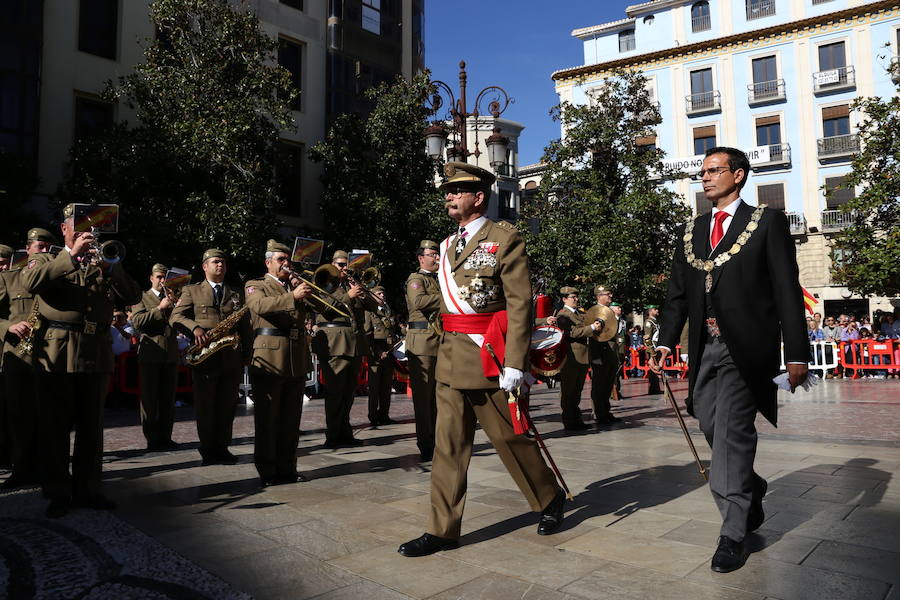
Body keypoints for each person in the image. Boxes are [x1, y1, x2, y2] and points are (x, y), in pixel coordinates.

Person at [650, 147, 809, 573]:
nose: (704, 178)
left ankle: (733, 531)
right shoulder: (692, 229)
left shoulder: (766, 222)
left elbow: (786, 291)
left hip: (747, 348)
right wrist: (666, 342)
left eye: (713, 171)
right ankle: (751, 485)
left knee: (732, 433)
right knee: (706, 419)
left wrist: (796, 352)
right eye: (701, 172)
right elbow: (677, 297)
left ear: (738, 175)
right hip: (703, 348)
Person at [399, 162, 564, 558]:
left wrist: (515, 361)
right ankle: (442, 529)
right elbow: (444, 304)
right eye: (448, 191)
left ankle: (548, 497)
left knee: (510, 438)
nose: (449, 196)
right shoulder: (446, 245)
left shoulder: (504, 238)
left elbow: (520, 302)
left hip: (488, 355)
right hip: (451, 357)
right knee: (448, 447)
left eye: (458, 190)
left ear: (479, 196)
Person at [21, 204, 142, 518]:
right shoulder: (47, 258)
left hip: (95, 348)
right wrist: (71, 255)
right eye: (79, 224)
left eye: (92, 225)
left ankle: (88, 488)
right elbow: (30, 283)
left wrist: (112, 267)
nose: (87, 231)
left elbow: (131, 296)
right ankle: (58, 492)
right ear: (64, 230)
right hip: (58, 350)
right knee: (56, 425)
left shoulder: (101, 262)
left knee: (92, 426)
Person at [171, 249, 251, 465]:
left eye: (223, 262)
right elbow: (176, 316)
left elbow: (245, 325)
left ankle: (222, 447)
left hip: (230, 356)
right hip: (205, 357)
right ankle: (208, 448)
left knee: (227, 405)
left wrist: (247, 353)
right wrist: (195, 328)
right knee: (206, 405)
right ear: (204, 266)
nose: (220, 265)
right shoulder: (191, 290)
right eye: (216, 262)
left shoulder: (236, 292)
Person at [244, 240, 313, 486]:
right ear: (268, 262)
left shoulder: (293, 286)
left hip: (295, 357)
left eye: (288, 260)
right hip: (269, 356)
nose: (286, 264)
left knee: (291, 419)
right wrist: (291, 295)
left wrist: (303, 293)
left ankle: (287, 468)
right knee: (268, 419)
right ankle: (267, 470)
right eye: (281, 260)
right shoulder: (255, 285)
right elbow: (258, 306)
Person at [0, 228, 56, 489]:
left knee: (49, 416)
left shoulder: (56, 278)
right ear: (28, 248)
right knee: (19, 416)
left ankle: (48, 471)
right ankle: (21, 470)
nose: (42, 251)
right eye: (38, 246)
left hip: (50, 355)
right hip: (17, 356)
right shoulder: (9, 278)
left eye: (46, 247)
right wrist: (7, 328)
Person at [312, 250, 378, 449]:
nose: (344, 268)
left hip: (354, 343)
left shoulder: (352, 285)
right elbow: (324, 309)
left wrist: (361, 289)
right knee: (335, 393)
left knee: (349, 393)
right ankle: (333, 434)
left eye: (346, 265)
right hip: (335, 344)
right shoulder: (323, 282)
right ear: (332, 264)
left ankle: (345, 432)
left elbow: (373, 306)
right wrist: (349, 296)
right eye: (340, 265)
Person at [131, 263, 181, 452]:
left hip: (170, 354)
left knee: (168, 399)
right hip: (151, 354)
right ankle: (152, 439)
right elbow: (137, 321)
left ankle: (166, 437)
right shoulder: (142, 297)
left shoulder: (173, 297)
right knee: (150, 399)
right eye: (159, 277)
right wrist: (159, 309)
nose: (162, 281)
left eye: (164, 278)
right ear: (151, 278)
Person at [404, 240, 441, 461]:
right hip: (422, 343)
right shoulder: (416, 279)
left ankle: (436, 441)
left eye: (437, 254)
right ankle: (426, 445)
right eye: (432, 254)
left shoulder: (436, 280)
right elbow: (418, 301)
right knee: (423, 398)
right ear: (421, 258)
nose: (436, 258)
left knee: (436, 398)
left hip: (438, 342)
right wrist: (446, 296)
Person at [554, 286, 591, 431]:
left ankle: (576, 419)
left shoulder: (579, 314)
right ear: (564, 299)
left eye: (576, 296)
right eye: (572, 297)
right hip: (570, 357)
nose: (576, 299)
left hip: (582, 356)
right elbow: (573, 333)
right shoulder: (562, 315)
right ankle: (569, 420)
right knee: (568, 390)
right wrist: (592, 328)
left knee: (577, 390)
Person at [365, 286, 398, 427]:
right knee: (374, 388)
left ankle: (384, 415)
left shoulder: (388, 310)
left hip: (390, 353)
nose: (382, 295)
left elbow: (392, 331)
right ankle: (373, 416)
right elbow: (367, 335)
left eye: (383, 292)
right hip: (377, 355)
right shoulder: (369, 313)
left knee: (386, 387)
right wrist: (377, 352)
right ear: (372, 296)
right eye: (378, 293)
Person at [588, 285, 620, 427]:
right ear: (599, 296)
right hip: (599, 353)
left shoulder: (609, 311)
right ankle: (598, 413)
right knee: (599, 385)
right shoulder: (593, 312)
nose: (610, 296)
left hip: (610, 352)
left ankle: (605, 412)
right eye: (607, 294)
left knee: (608, 384)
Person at [643, 305, 663, 394]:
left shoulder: (655, 321)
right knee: (652, 369)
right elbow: (647, 337)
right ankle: (653, 389)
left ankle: (655, 388)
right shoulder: (649, 322)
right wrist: (651, 351)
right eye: (655, 309)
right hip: (652, 349)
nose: (657, 310)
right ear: (650, 311)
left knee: (656, 368)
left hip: (656, 348)